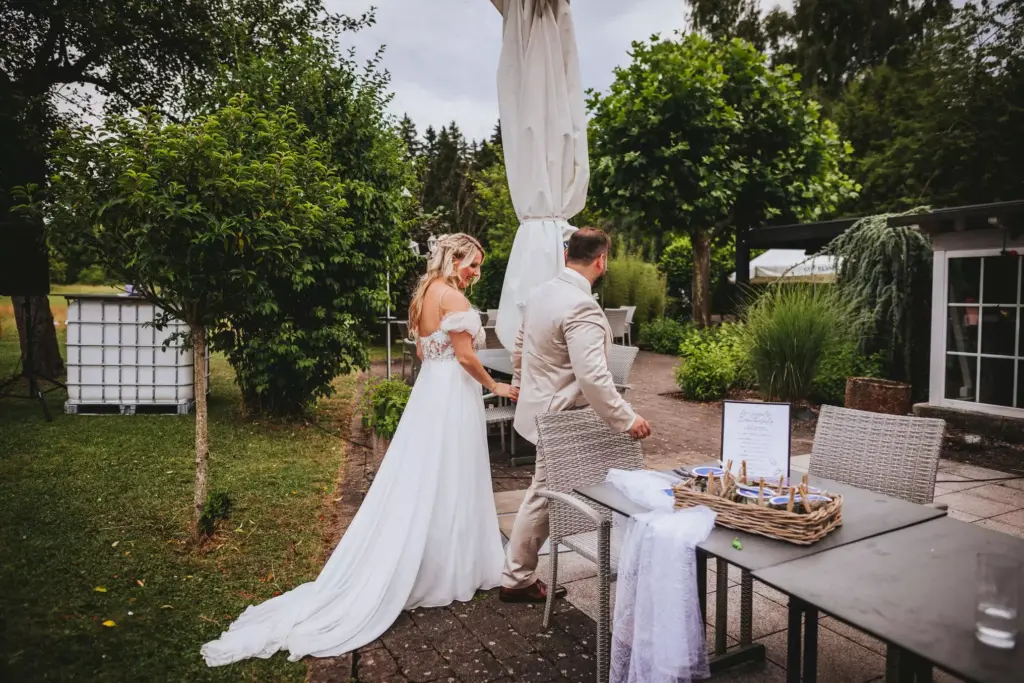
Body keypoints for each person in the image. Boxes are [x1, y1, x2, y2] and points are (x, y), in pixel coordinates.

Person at [201, 233, 518, 666]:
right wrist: (497, 384)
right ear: (453, 258)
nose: (476, 274)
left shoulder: (426, 294)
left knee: (427, 474)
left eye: (479, 267)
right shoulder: (455, 302)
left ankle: (440, 554)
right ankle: (448, 563)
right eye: (472, 265)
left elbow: (428, 355)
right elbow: (464, 358)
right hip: (453, 396)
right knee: (451, 473)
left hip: (431, 393)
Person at [500, 228, 652, 604]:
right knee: (542, 494)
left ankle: (624, 552)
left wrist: (520, 380)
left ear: (567, 254)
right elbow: (593, 376)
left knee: (552, 489)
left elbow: (520, 347)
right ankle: (516, 578)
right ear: (601, 260)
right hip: (563, 417)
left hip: (540, 409)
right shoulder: (581, 305)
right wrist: (626, 419)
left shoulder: (541, 293)